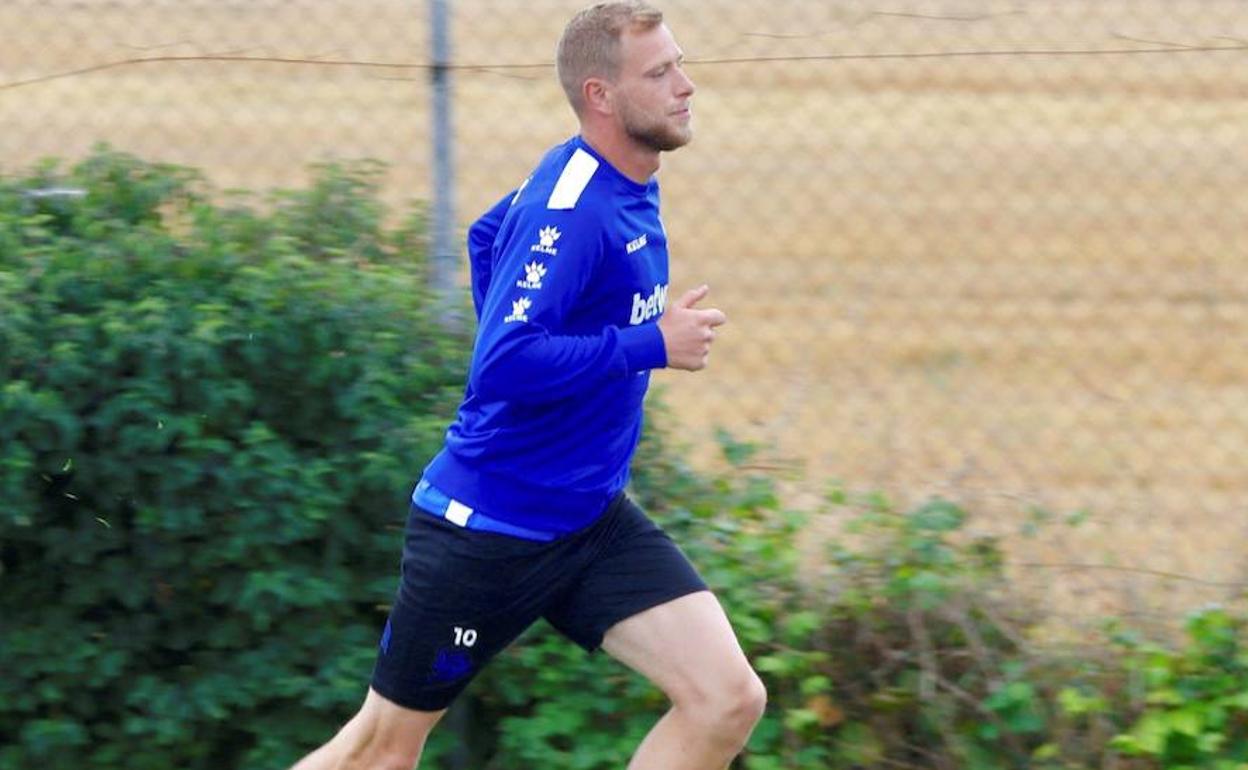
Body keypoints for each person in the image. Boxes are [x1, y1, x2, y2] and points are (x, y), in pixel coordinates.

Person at [289, 3, 765, 768]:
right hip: (488, 531)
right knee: (379, 752)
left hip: (588, 519)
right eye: (660, 72)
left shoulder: (615, 179)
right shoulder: (573, 207)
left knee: (726, 700)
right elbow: (503, 362)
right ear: (600, 96)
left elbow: (487, 235)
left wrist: (573, 339)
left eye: (679, 63)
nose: (687, 85)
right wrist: (650, 343)